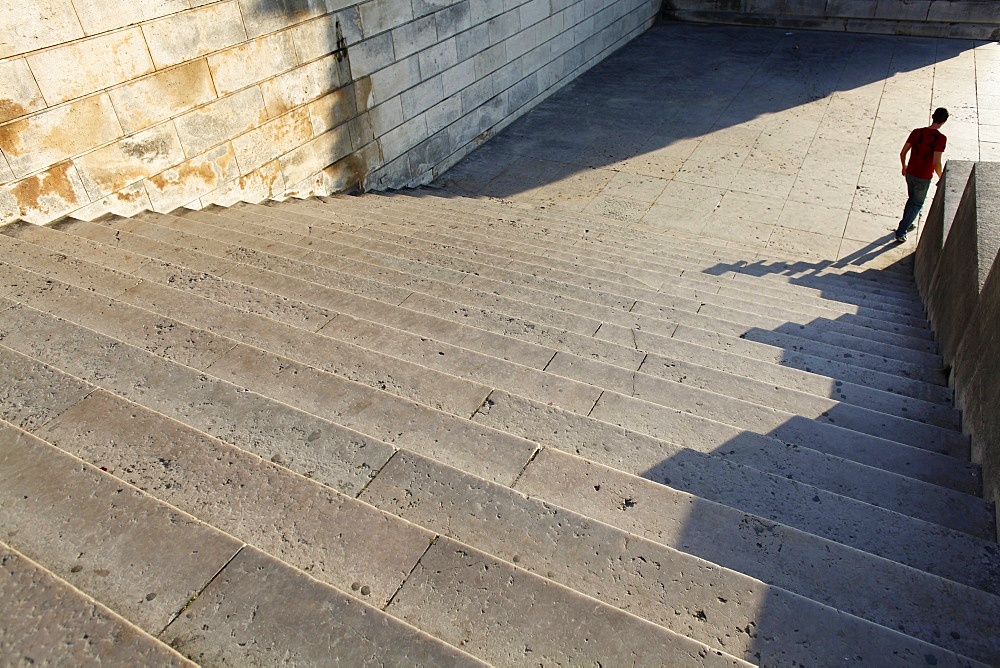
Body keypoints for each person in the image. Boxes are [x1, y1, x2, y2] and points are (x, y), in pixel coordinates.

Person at [895, 107, 949, 242]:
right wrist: (941, 177)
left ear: (932, 116)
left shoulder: (917, 132)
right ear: (944, 121)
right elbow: (937, 162)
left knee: (911, 199)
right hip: (923, 176)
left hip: (910, 172)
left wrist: (904, 166)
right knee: (917, 203)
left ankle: (909, 222)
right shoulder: (941, 139)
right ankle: (901, 231)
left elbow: (903, 152)